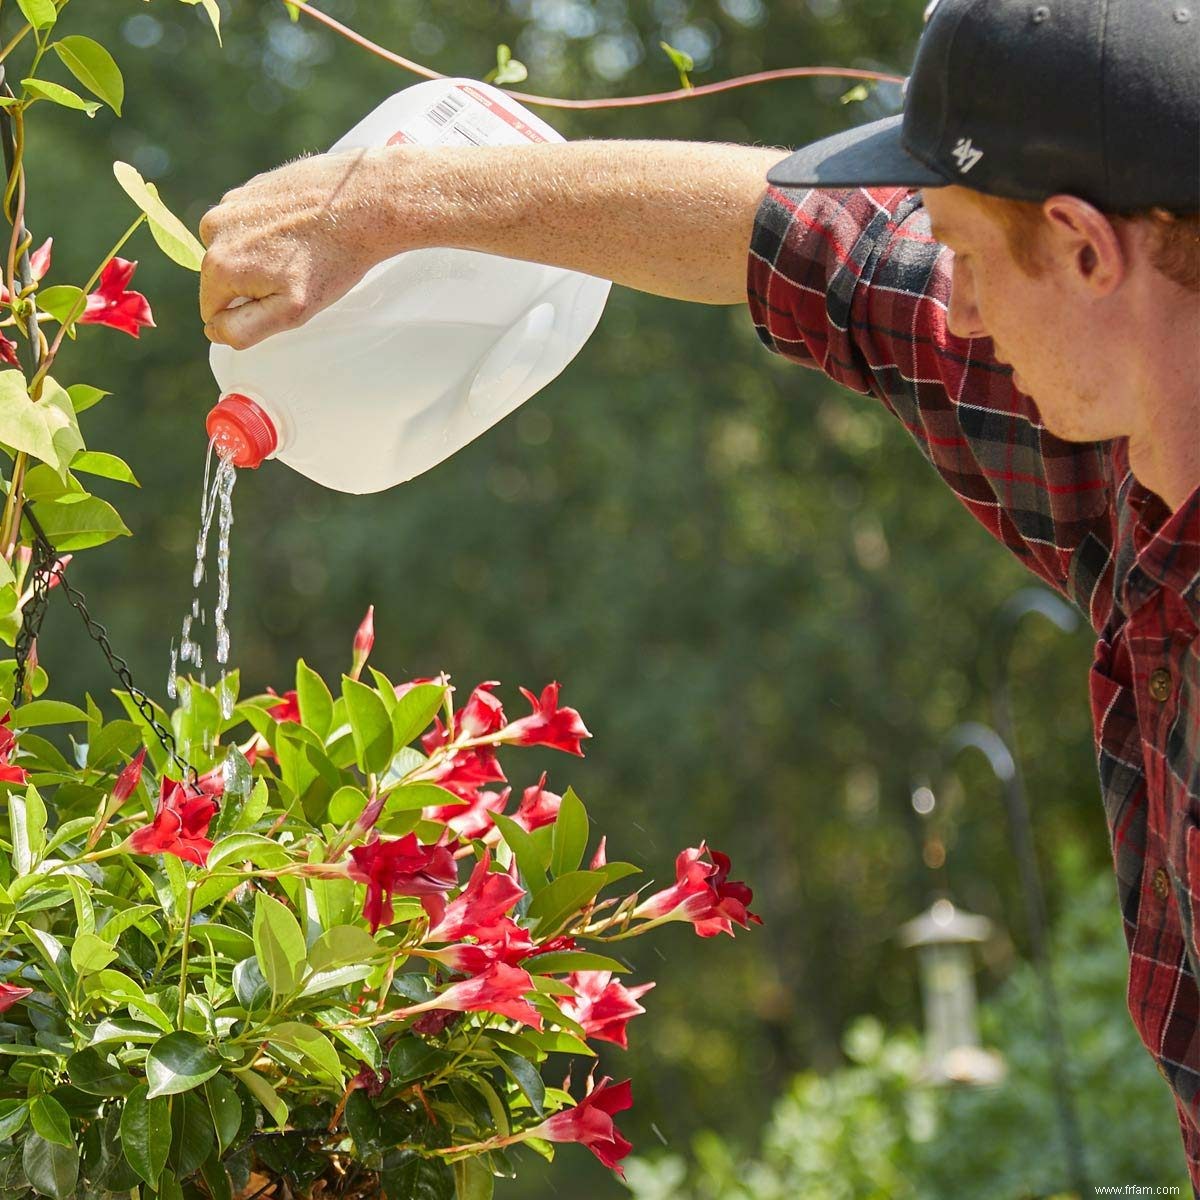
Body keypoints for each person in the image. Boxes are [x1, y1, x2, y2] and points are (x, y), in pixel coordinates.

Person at [199, 0, 1200, 1182]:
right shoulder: (1117, 441)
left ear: (1087, 250)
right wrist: (388, 205)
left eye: (970, 256)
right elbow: (792, 240)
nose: (957, 303)